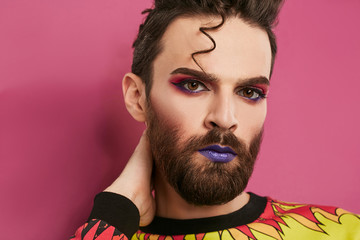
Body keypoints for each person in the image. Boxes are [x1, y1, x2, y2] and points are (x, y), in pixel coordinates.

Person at [71, 0, 360, 239]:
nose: (225, 118)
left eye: (249, 91)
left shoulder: (340, 231)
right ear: (137, 97)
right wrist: (116, 208)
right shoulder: (110, 230)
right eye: (193, 85)